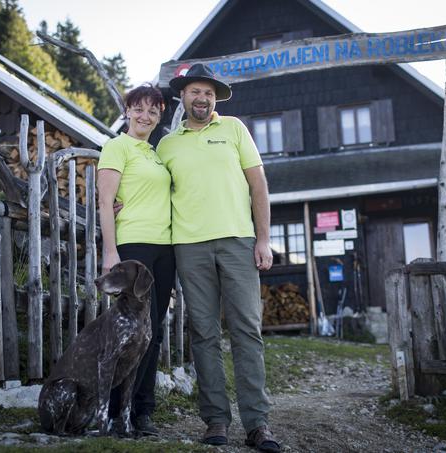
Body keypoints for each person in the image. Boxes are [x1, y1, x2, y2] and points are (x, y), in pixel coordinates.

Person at [157, 63, 280, 453]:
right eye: (195, 91)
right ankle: (215, 421)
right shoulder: (167, 145)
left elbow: (258, 184)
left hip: (238, 242)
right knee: (204, 335)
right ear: (182, 96)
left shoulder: (234, 130)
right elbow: (153, 187)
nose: (202, 98)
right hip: (189, 247)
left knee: (247, 331)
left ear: (215, 98)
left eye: (209, 93)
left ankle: (257, 425)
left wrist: (263, 239)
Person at [97, 83, 175, 436]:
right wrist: (111, 252)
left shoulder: (156, 153)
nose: (146, 116)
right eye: (139, 109)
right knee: (129, 335)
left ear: (160, 116)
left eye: (154, 111)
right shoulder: (117, 146)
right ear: (127, 111)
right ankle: (115, 412)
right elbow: (105, 202)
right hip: (134, 249)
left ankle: (143, 412)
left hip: (165, 249)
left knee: (153, 333)